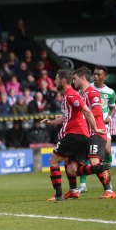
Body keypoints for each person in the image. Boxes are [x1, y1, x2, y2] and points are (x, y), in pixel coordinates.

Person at [41, 69, 106, 202]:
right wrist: (51, 122)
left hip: (74, 135)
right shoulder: (66, 96)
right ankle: (98, 168)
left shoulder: (72, 96)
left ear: (63, 81)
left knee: (53, 161)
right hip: (80, 136)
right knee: (72, 169)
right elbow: (66, 118)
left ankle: (58, 195)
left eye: (56, 79)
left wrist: (95, 128)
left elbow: (87, 111)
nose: (54, 81)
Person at [72, 66, 116, 199]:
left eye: (74, 78)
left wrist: (83, 116)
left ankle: (108, 189)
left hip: (97, 131)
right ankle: (75, 189)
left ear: (82, 78)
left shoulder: (92, 92)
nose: (73, 81)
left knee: (94, 161)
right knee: (74, 164)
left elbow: (97, 111)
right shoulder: (83, 93)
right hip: (87, 132)